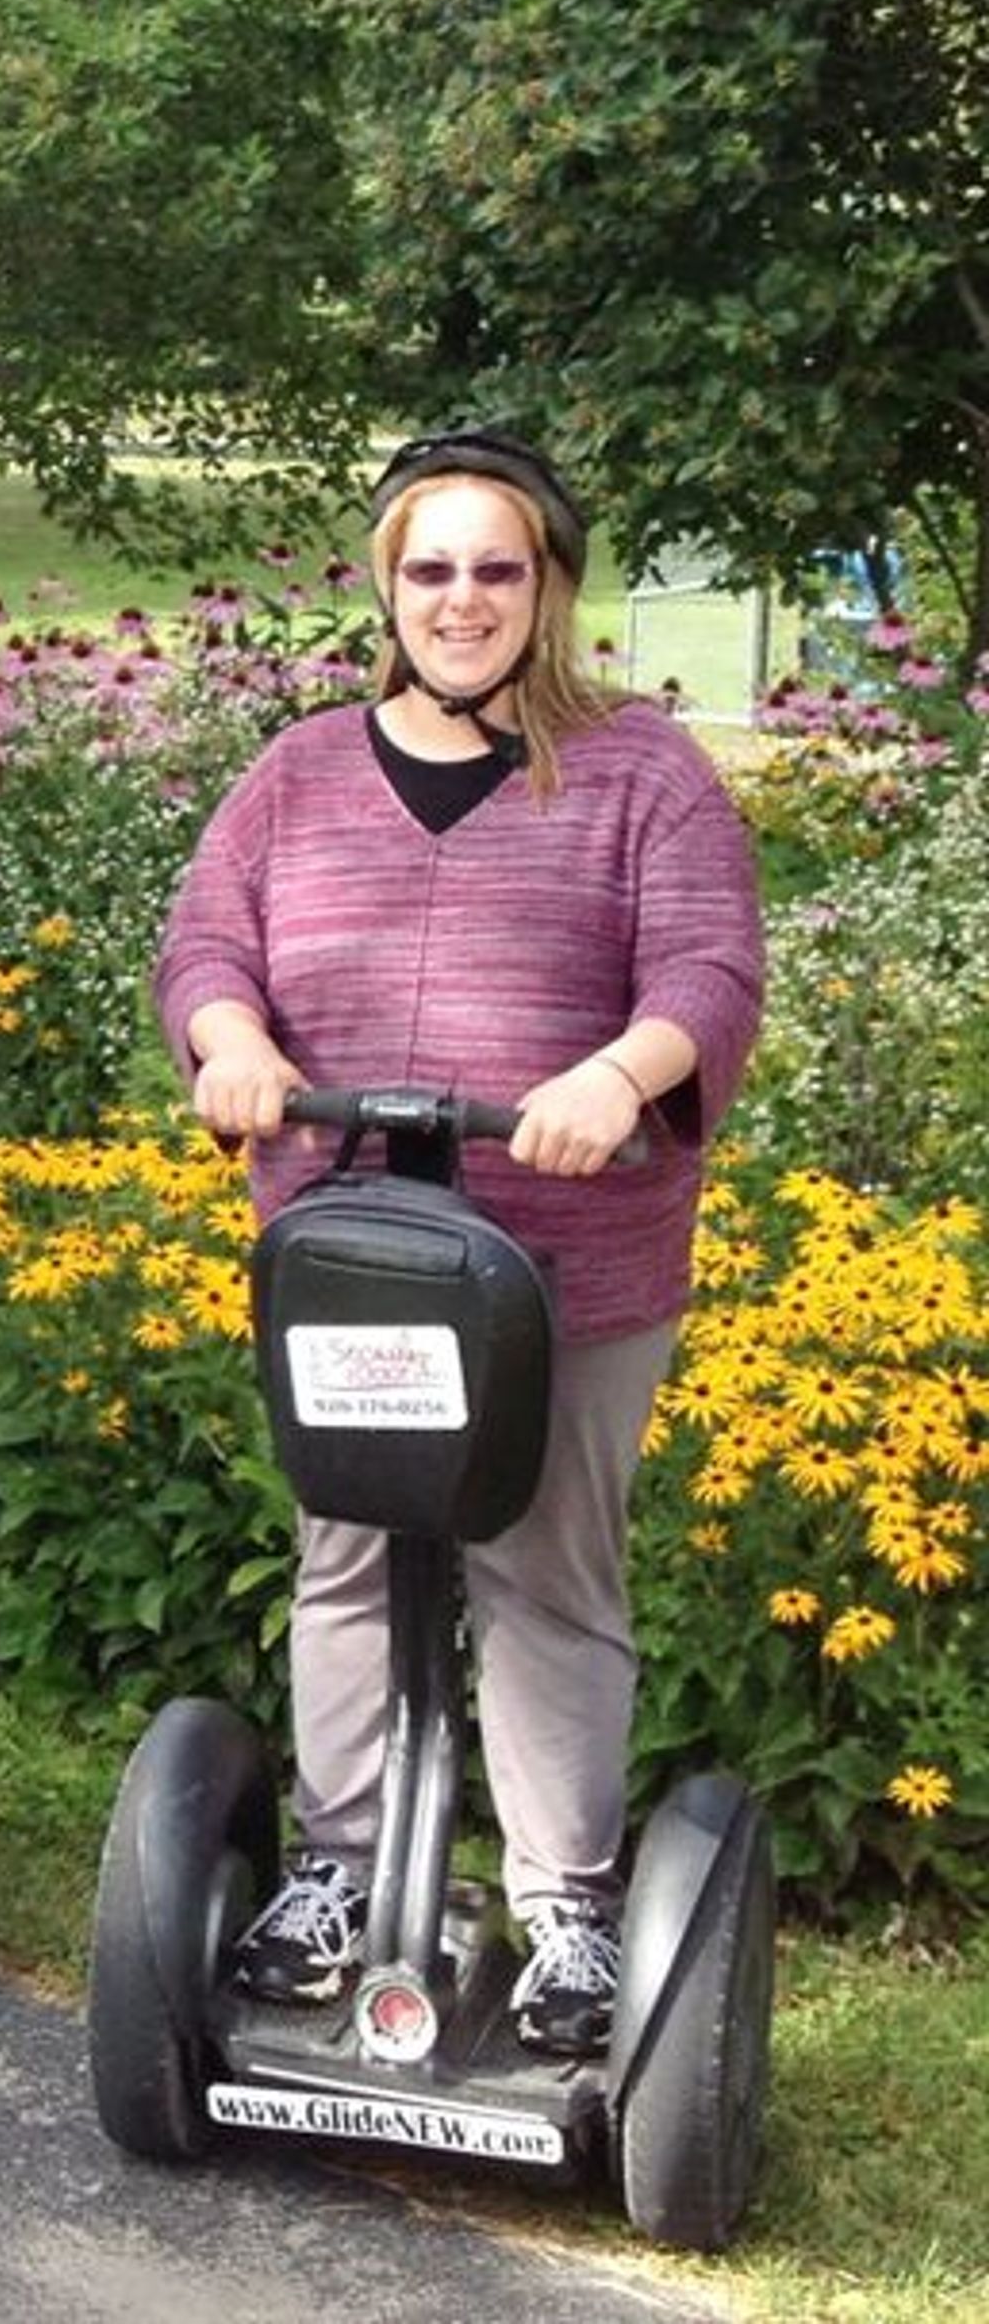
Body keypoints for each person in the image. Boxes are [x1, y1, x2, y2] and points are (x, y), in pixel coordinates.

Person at [158, 426, 763, 2060]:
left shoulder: (643, 771)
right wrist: (229, 1040)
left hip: (567, 1260)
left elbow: (709, 974)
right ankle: (345, 1871)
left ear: (549, 585)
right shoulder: (295, 773)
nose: (463, 597)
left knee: (548, 1574)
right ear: (387, 583)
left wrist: (616, 1075)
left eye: (499, 567)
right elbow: (209, 938)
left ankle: (567, 1911)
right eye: (431, 567)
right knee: (349, 1556)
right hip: (355, 1249)